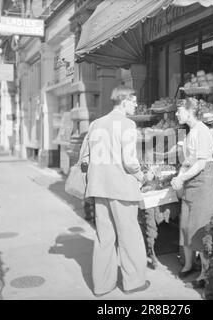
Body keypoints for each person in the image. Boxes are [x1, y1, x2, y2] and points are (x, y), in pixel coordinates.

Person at [79, 85, 149, 296]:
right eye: (134, 101)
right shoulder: (127, 124)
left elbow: (84, 158)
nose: (136, 104)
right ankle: (134, 282)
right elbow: (130, 161)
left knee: (104, 238)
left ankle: (102, 286)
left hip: (100, 188)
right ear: (124, 100)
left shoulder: (96, 124)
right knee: (130, 236)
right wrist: (141, 175)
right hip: (121, 188)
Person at [170, 97, 213, 289]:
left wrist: (181, 178)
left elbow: (200, 163)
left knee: (202, 227)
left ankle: (205, 273)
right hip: (191, 181)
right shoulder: (190, 133)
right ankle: (189, 265)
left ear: (190, 112)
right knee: (186, 225)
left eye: (179, 110)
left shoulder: (202, 131)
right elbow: (188, 162)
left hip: (204, 183)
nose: (176, 113)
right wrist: (180, 176)